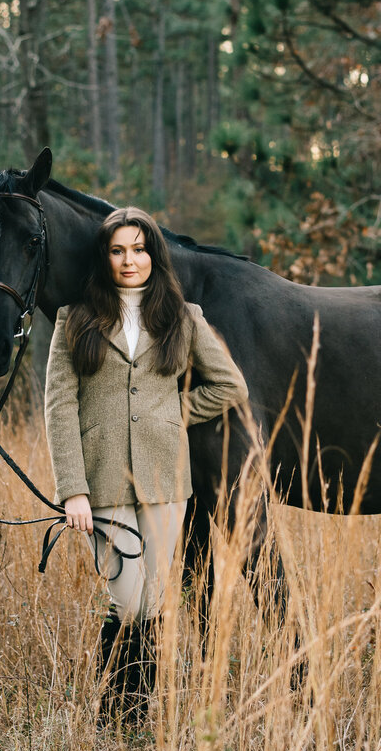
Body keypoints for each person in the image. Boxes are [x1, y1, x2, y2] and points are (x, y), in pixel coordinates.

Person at [44, 206, 248, 719]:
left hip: (165, 477)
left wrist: (174, 413)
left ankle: (132, 713)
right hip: (103, 479)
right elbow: (58, 406)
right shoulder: (75, 319)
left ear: (153, 255)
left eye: (138, 249)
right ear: (105, 257)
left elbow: (230, 386)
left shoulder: (183, 317)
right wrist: (73, 489)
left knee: (156, 601)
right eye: (117, 250)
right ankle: (114, 704)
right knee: (130, 601)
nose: (129, 260)